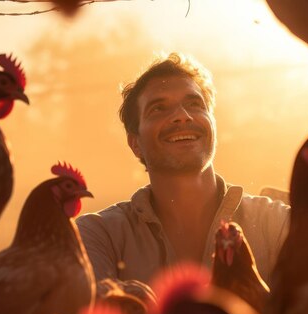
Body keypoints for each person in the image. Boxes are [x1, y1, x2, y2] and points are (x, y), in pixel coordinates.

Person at [76, 52, 289, 284]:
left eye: (194, 104)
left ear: (213, 124)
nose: (182, 116)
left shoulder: (276, 223)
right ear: (135, 143)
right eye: (158, 108)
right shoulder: (100, 235)